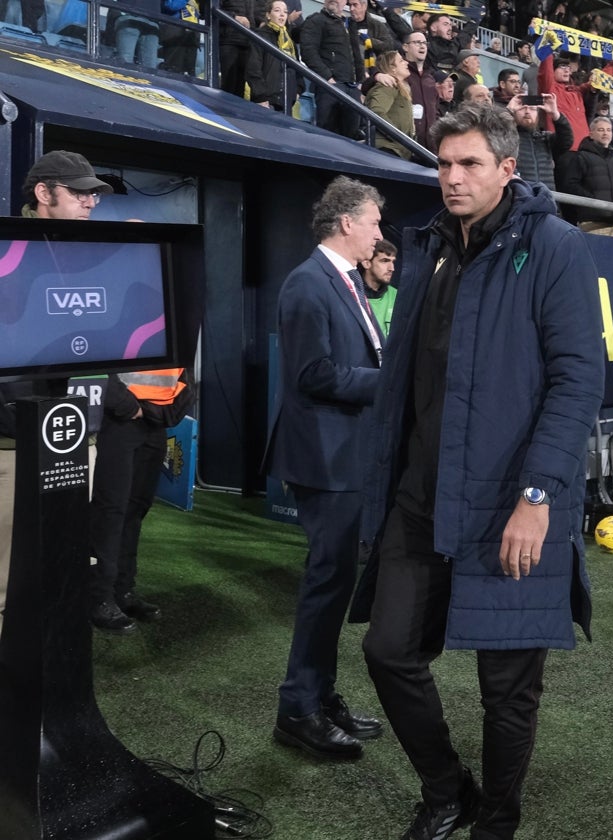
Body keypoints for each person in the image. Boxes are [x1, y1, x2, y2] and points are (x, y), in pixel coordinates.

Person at [356, 103, 605, 840]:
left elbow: (576, 382)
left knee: (507, 690)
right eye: (443, 163)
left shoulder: (554, 247)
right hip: (420, 496)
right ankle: (447, 792)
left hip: (511, 503)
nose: (452, 178)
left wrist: (536, 497)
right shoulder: (428, 246)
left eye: (468, 164)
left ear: (506, 168)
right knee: (387, 650)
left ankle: (497, 818)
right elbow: (404, 379)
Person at [263, 176, 385, 761]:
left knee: (335, 584)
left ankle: (321, 696)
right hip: (325, 458)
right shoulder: (308, 284)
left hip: (345, 455)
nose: (380, 234)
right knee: (326, 584)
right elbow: (313, 374)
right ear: (347, 224)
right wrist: (393, 383)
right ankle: (298, 709)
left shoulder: (341, 281)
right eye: (374, 223)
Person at [1, 151, 114, 638]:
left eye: (93, 193)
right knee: (6, 574)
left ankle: (47, 683)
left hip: (69, 436)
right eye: (79, 192)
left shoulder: (89, 254)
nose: (90, 201)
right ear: (44, 194)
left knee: (60, 562)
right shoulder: (9, 249)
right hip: (11, 440)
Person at [88, 367, 193, 633]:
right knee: (110, 512)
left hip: (153, 424)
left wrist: (171, 410)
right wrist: (124, 405)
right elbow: (95, 365)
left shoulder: (168, 328)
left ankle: (123, 591)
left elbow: (181, 373)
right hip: (117, 422)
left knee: (135, 510)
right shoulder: (118, 325)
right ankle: (99, 598)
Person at [300, 0, 365, 140]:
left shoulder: (349, 23)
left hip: (352, 88)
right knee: (326, 136)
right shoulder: (316, 20)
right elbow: (308, 52)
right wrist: (328, 78)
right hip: (329, 87)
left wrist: (361, 82)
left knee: (352, 139)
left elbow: (356, 56)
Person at [557, 116, 613, 236]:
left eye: (608, 130)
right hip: (593, 223)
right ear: (591, 134)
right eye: (601, 130)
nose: (605, 133)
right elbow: (569, 185)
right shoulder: (581, 157)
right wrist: (593, 201)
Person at [509, 91, 572, 190]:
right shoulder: (507, 136)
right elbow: (494, 133)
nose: (527, 111)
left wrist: (555, 114)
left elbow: (567, 141)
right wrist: (508, 111)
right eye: (522, 108)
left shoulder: (546, 138)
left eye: (532, 108)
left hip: (546, 197)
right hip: (520, 196)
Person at [246, 0, 299, 113]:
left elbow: (297, 68)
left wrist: (297, 90)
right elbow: (253, 69)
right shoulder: (260, 36)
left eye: (285, 12)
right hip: (266, 102)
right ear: (268, 15)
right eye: (277, 10)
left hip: (286, 102)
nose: (282, 14)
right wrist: (261, 96)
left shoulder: (289, 41)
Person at [365, 50, 415, 158]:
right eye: (401, 61)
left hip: (398, 151)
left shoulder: (399, 88)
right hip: (388, 151)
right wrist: (397, 136)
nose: (406, 63)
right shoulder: (386, 86)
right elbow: (376, 112)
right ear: (393, 68)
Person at [401, 30, 439, 151]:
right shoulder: (398, 70)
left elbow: (436, 109)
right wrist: (377, 75)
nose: (422, 46)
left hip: (430, 146)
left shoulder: (430, 78)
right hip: (406, 144)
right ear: (405, 47)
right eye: (417, 42)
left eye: (424, 43)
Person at [361, 238, 397, 336]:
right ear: (366, 263)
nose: (392, 268)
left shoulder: (398, 297)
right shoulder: (351, 295)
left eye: (393, 262)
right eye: (385, 261)